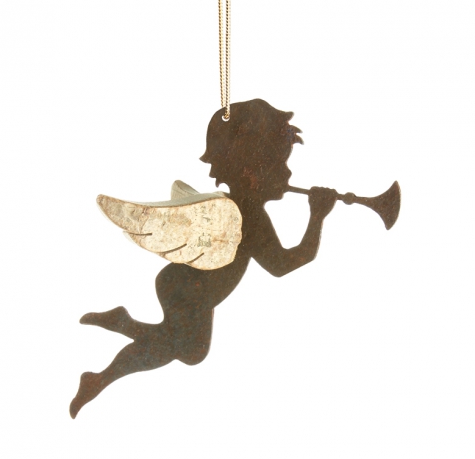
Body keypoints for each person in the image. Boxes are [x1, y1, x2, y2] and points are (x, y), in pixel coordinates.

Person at [70, 98, 338, 418]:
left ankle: (118, 329)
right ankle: (101, 376)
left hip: (187, 287)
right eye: (279, 164)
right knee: (186, 349)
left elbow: (280, 264)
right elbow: (282, 265)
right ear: (250, 170)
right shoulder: (248, 216)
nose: (288, 172)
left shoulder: (240, 209)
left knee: (186, 349)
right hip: (188, 291)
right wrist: (317, 216)